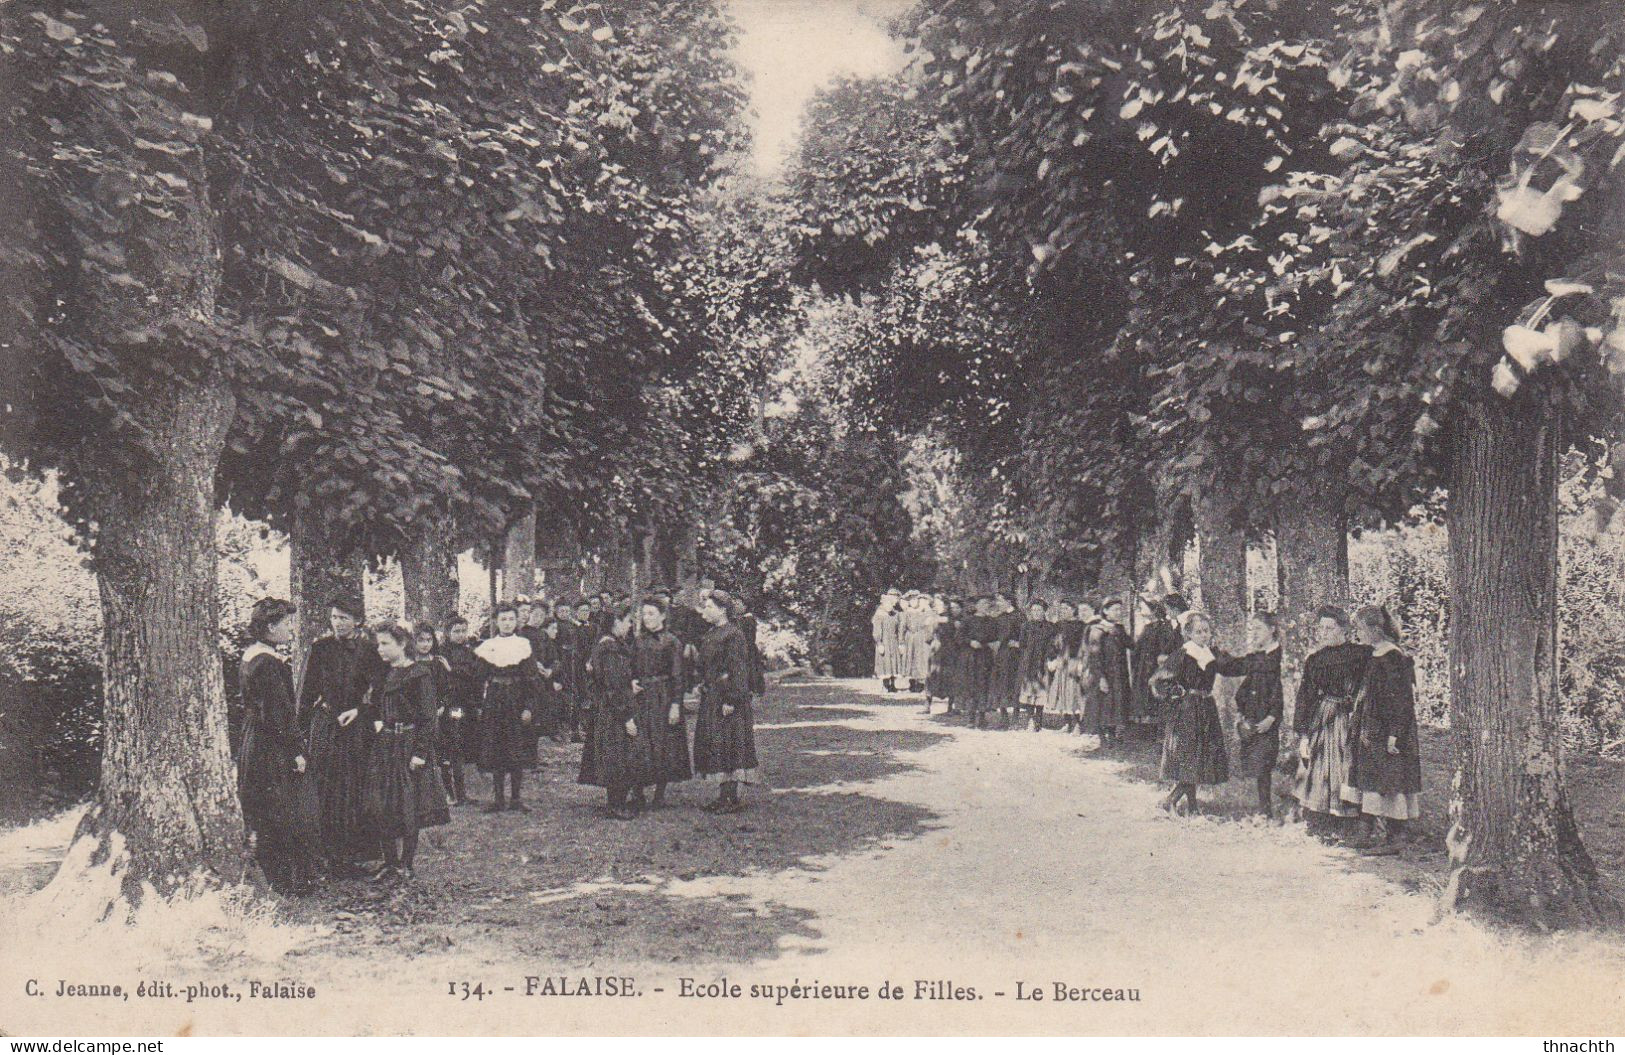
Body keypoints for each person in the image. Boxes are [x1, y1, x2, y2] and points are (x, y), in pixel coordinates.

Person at [238, 598, 320, 894]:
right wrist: (296, 750)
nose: (291, 630)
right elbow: (280, 713)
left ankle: (281, 877)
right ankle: (286, 881)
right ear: (271, 627)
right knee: (284, 808)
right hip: (271, 743)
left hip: (255, 738)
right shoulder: (268, 664)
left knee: (267, 807)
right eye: (286, 624)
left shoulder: (251, 656)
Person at [300, 595, 382, 876]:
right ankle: (326, 854)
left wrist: (360, 711)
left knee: (354, 787)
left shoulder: (369, 650)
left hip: (356, 727)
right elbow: (307, 691)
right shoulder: (320, 649)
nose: (337, 623)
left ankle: (352, 856)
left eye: (344, 618)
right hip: (327, 724)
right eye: (334, 617)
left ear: (357, 621)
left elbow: (380, 691)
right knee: (327, 786)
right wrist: (300, 732)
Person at [365, 624, 449, 882]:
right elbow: (375, 705)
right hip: (386, 745)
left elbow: (428, 718)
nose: (380, 649)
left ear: (402, 644)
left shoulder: (419, 674)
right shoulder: (384, 673)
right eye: (378, 644)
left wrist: (420, 752)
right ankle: (389, 862)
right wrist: (380, 724)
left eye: (385, 644)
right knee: (383, 803)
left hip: (409, 745)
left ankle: (406, 864)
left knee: (408, 805)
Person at [1343, 605, 1422, 855]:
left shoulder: (1393, 658)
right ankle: (1365, 831)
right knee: (1370, 778)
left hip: (1389, 731)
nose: (1358, 635)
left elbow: (1401, 702)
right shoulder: (1373, 655)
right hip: (1370, 728)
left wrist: (1394, 734)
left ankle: (1396, 835)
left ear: (1376, 630)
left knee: (1390, 781)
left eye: (1361, 630)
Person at [1291, 606, 1371, 838]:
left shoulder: (1361, 655)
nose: (1324, 632)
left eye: (1330, 627)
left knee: (1346, 766)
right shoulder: (1316, 660)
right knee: (1320, 767)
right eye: (1321, 628)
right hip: (1325, 716)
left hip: (1350, 715)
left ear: (1344, 629)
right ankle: (1320, 820)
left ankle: (1348, 821)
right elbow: (1305, 696)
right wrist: (1304, 734)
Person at [1153, 610, 1230, 815]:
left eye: (1206, 631)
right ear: (1189, 634)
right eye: (1198, 632)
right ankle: (1171, 800)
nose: (1203, 635)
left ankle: (1191, 807)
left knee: (1199, 757)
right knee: (1190, 757)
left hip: (1206, 708)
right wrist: (1176, 692)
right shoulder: (1183, 654)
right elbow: (1160, 680)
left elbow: (1231, 667)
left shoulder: (1211, 653)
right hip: (1188, 710)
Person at [1210, 612, 1285, 817]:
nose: (1254, 634)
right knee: (1258, 764)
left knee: (1264, 764)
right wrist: (1212, 651)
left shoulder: (1279, 657)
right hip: (1253, 717)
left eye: (1258, 629)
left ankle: (1266, 810)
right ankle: (1264, 809)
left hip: (1267, 718)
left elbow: (1280, 688)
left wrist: (1272, 717)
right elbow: (1232, 667)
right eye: (1253, 630)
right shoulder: (1258, 657)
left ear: (1272, 630)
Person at [692, 589, 758, 812]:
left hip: (728, 700)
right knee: (716, 744)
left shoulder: (734, 635)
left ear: (722, 610)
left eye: (709, 607)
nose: (705, 611)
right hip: (712, 697)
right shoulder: (712, 633)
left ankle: (730, 798)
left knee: (729, 744)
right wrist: (703, 682)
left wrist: (731, 699)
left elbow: (739, 670)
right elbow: (707, 665)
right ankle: (723, 796)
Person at [579, 602, 644, 820]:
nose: (630, 626)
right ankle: (615, 804)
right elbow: (613, 686)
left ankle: (618, 800)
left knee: (617, 753)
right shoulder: (610, 648)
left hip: (610, 707)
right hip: (614, 711)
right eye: (627, 621)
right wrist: (626, 717)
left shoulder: (608, 645)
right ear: (616, 622)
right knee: (617, 754)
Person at [475, 604, 539, 812]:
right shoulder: (488, 646)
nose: (507, 623)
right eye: (503, 619)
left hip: (516, 698)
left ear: (516, 621)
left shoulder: (523, 645)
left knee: (516, 746)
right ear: (496, 621)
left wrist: (529, 706)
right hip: (495, 700)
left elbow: (531, 679)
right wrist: (479, 704)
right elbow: (479, 677)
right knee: (496, 746)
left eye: (511, 619)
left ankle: (516, 798)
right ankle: (499, 798)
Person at [633, 598, 692, 807]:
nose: (646, 618)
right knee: (640, 741)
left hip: (663, 696)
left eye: (651, 613)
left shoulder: (672, 641)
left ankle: (660, 792)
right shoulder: (637, 640)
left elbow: (677, 675)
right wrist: (632, 681)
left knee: (664, 743)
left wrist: (676, 704)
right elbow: (631, 666)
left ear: (663, 616)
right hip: (641, 696)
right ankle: (637, 791)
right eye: (644, 614)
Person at [438, 616, 481, 806]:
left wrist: (453, 670)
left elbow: (474, 675)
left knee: (462, 746)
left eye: (463, 630)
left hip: (466, 705)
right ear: (448, 633)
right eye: (456, 631)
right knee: (451, 746)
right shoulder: (441, 653)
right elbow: (442, 680)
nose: (461, 635)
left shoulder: (469, 652)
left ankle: (461, 793)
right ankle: (451, 793)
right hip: (451, 706)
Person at [1132, 594, 1184, 735]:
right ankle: (1145, 727)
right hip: (1144, 666)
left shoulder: (1163, 626)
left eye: (1145, 606)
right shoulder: (1148, 627)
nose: (1141, 608)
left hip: (1154, 665)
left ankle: (1155, 729)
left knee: (1156, 695)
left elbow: (1165, 648)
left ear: (1153, 610)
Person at [1096, 595, 1134, 744]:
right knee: (1106, 703)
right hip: (1106, 674)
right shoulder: (1098, 629)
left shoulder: (1120, 628)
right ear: (1105, 611)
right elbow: (1096, 656)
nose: (1119, 612)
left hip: (1120, 673)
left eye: (1120, 609)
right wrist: (1101, 677)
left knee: (1119, 702)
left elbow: (1131, 645)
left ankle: (1117, 733)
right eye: (1115, 609)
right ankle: (1106, 735)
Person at [1044, 600, 1085, 733]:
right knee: (1062, 692)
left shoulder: (1081, 626)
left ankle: (1078, 724)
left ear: (1074, 609)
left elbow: (1083, 646)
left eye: (1066, 608)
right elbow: (1052, 643)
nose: (1063, 611)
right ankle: (1067, 723)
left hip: (1074, 662)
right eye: (1061, 609)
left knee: (1074, 693)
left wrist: (1081, 662)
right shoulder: (1058, 625)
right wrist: (1053, 658)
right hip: (1062, 662)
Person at [1014, 599, 1054, 732]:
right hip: (1029, 662)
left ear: (1044, 611)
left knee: (1041, 691)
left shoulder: (1050, 627)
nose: (1036, 613)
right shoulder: (1026, 626)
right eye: (1034, 610)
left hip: (1042, 662)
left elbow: (1052, 645)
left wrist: (1048, 657)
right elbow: (1022, 644)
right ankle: (1031, 718)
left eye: (1039, 610)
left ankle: (1039, 718)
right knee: (1029, 691)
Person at [961, 596, 996, 727]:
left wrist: (992, 644)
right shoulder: (968, 621)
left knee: (984, 686)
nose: (985, 606)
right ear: (976, 606)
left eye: (987, 604)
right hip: (971, 658)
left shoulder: (991, 621)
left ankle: (981, 717)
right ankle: (970, 717)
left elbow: (995, 637)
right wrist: (970, 642)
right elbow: (959, 637)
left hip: (985, 657)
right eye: (982, 604)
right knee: (971, 686)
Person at [925, 596, 957, 714]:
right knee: (933, 675)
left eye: (940, 604)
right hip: (940, 649)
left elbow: (928, 638)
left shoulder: (949, 619)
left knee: (946, 675)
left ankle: (949, 706)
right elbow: (927, 637)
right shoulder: (949, 619)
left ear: (945, 605)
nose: (937, 607)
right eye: (936, 604)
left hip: (944, 649)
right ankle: (929, 704)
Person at [899, 592, 936, 694]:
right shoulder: (908, 613)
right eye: (911, 601)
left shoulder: (925, 613)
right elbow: (902, 627)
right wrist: (901, 642)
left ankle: (921, 684)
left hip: (921, 639)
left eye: (916, 600)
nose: (914, 602)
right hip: (910, 639)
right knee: (910, 660)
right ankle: (912, 683)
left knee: (921, 660)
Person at [872, 590, 903, 692]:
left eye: (891, 604)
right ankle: (886, 685)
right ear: (883, 603)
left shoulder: (895, 615)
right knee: (885, 663)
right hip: (884, 642)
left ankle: (893, 684)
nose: (889, 606)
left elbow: (899, 630)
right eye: (887, 604)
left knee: (893, 662)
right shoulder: (879, 615)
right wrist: (879, 643)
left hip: (893, 642)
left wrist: (900, 643)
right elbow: (877, 630)